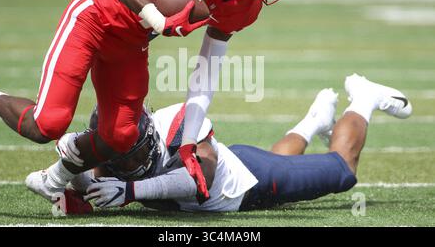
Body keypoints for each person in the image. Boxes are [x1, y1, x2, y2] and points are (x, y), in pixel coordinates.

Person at [0, 0, 303, 203]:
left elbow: (207, 70)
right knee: (47, 125)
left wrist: (189, 141)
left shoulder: (245, 6)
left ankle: (52, 179)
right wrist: (158, 19)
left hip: (130, 43)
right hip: (97, 15)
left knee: (120, 135)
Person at [46, 73, 411, 213]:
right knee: (279, 163)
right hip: (241, 176)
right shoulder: (110, 150)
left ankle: (364, 96)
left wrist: (131, 190)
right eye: (116, 155)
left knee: (343, 173)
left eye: (133, 151)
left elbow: (198, 180)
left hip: (245, 181)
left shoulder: (178, 121)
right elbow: (83, 195)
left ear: (148, 134)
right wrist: (68, 165)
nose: (124, 163)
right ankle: (314, 120)